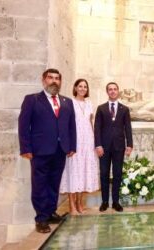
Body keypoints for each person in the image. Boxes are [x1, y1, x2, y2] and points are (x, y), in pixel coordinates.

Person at [18, 68, 76, 233]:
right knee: (40, 185)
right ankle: (41, 219)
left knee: (54, 183)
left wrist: (72, 146)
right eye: (50, 78)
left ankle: (50, 212)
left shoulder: (67, 102)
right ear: (44, 80)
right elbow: (23, 126)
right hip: (39, 151)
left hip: (60, 150)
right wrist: (25, 148)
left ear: (60, 82)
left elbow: (71, 126)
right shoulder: (32, 100)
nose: (54, 81)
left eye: (57, 78)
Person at [60, 79, 99, 215]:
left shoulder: (89, 103)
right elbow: (66, 124)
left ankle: (79, 202)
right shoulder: (69, 103)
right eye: (80, 86)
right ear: (75, 88)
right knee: (73, 171)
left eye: (85, 87)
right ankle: (71, 204)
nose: (83, 88)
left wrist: (95, 141)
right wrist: (68, 144)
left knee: (83, 171)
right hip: (75, 141)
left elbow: (90, 122)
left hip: (88, 142)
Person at [94, 82, 133, 212]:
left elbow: (128, 128)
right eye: (110, 89)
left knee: (117, 174)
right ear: (107, 92)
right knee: (104, 174)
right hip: (103, 148)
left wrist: (130, 145)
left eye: (115, 89)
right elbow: (97, 128)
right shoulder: (101, 108)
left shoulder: (124, 109)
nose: (112, 91)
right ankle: (105, 201)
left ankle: (116, 201)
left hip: (119, 147)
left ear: (118, 92)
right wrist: (98, 145)